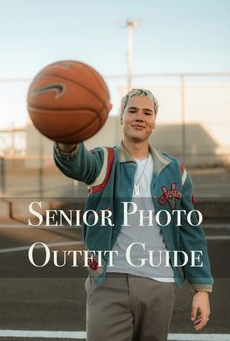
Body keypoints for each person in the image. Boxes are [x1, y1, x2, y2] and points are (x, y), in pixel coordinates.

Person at [53, 88, 213, 341]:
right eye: (133, 110)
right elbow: (76, 162)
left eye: (147, 112)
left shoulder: (174, 170)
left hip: (159, 283)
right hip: (110, 280)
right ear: (122, 118)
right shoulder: (104, 161)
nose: (140, 117)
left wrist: (202, 288)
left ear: (154, 122)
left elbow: (190, 231)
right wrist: (68, 138)